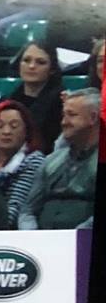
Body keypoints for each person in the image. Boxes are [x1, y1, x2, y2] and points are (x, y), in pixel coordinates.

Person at [21, 92, 98, 230]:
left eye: (72, 115)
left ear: (93, 118)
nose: (64, 122)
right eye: (64, 115)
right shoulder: (50, 161)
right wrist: (32, 236)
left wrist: (76, 237)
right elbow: (28, 211)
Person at [10, 42, 65, 151]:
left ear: (52, 69)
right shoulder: (9, 100)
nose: (31, 66)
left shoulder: (61, 103)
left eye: (40, 62)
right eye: (26, 60)